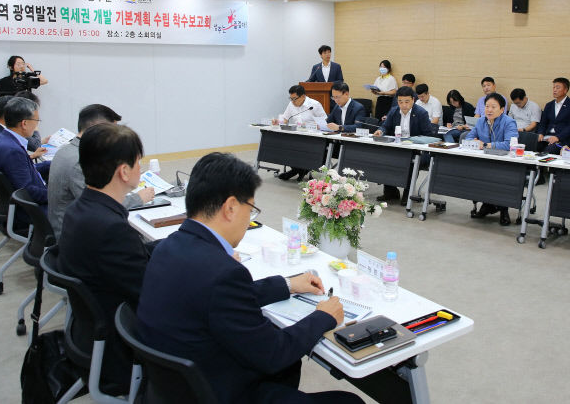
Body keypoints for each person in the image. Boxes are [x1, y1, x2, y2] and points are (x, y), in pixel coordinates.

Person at [136, 153, 361, 404]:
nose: (249, 219)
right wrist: (323, 317)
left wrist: (288, 284)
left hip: (171, 387)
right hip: (217, 392)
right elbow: (273, 353)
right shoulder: (223, 273)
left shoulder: (167, 247)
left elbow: (220, 299)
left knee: (288, 368)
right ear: (231, 208)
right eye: (251, 209)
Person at [57, 123, 153, 393]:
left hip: (88, 333)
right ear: (124, 171)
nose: (140, 168)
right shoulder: (111, 228)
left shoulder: (80, 209)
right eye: (138, 162)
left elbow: (131, 261)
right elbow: (152, 294)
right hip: (121, 349)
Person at [47, 104, 154, 237]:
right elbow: (99, 204)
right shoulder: (79, 161)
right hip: (76, 235)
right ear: (98, 130)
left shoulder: (66, 150)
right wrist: (138, 198)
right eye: (113, 131)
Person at [0, 96, 50, 226]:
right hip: (30, 212)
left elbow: (19, 171)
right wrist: (56, 195)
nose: (37, 125)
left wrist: (51, 164)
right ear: (24, 123)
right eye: (37, 121)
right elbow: (28, 192)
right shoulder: (12, 150)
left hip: (15, 206)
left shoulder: (4, 139)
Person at [374, 87, 434, 205]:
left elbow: (428, 135)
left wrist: (413, 141)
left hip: (417, 150)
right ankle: (391, 191)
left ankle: (408, 192)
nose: (403, 105)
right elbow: (385, 126)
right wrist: (381, 131)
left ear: (413, 100)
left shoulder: (421, 113)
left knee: (411, 161)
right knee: (385, 157)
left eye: (407, 101)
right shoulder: (394, 111)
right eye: (400, 102)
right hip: (399, 147)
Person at [465, 93, 519, 225]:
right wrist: (474, 141)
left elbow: (509, 144)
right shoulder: (481, 121)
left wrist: (485, 145)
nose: (489, 110)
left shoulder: (509, 122)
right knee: (475, 173)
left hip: (504, 163)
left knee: (499, 176)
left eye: (493, 107)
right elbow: (468, 138)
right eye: (487, 106)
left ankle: (503, 209)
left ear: (502, 109)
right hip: (484, 160)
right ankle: (487, 204)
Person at [277, 85, 328, 181]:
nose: (292, 101)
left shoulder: (314, 104)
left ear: (303, 96)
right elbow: (285, 118)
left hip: (313, 137)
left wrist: (311, 125)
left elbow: (324, 123)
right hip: (297, 135)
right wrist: (277, 121)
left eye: (294, 99)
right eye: (291, 98)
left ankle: (299, 170)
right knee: (283, 145)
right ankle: (299, 170)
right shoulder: (291, 104)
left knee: (300, 147)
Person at [0, 55, 48, 124]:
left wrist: (32, 69)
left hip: (23, 116)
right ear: (11, 67)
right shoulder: (4, 81)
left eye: (23, 64)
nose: (21, 66)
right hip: (7, 115)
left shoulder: (27, 80)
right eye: (18, 64)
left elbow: (44, 81)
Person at [537, 77, 570, 154]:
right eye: (553, 87)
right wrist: (540, 133)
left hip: (564, 138)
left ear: (565, 90)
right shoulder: (549, 105)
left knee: (550, 150)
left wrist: (558, 137)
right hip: (547, 137)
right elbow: (543, 123)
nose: (554, 90)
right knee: (532, 145)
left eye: (557, 87)